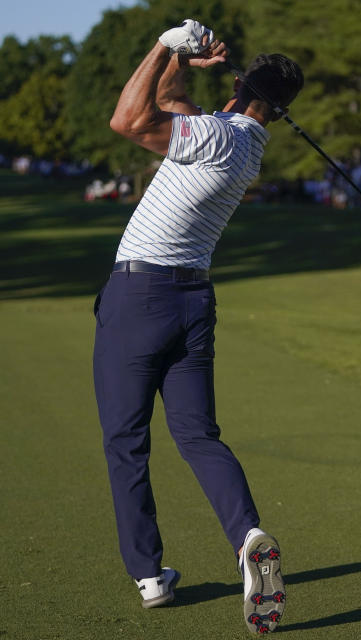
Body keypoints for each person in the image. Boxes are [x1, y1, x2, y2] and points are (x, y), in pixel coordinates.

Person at [94, 20, 302, 634]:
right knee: (197, 435)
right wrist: (185, 65)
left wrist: (164, 45)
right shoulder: (245, 142)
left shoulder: (213, 136)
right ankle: (248, 536)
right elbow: (169, 105)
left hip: (140, 297)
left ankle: (150, 576)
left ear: (241, 90)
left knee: (126, 439)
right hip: (193, 303)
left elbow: (128, 120)